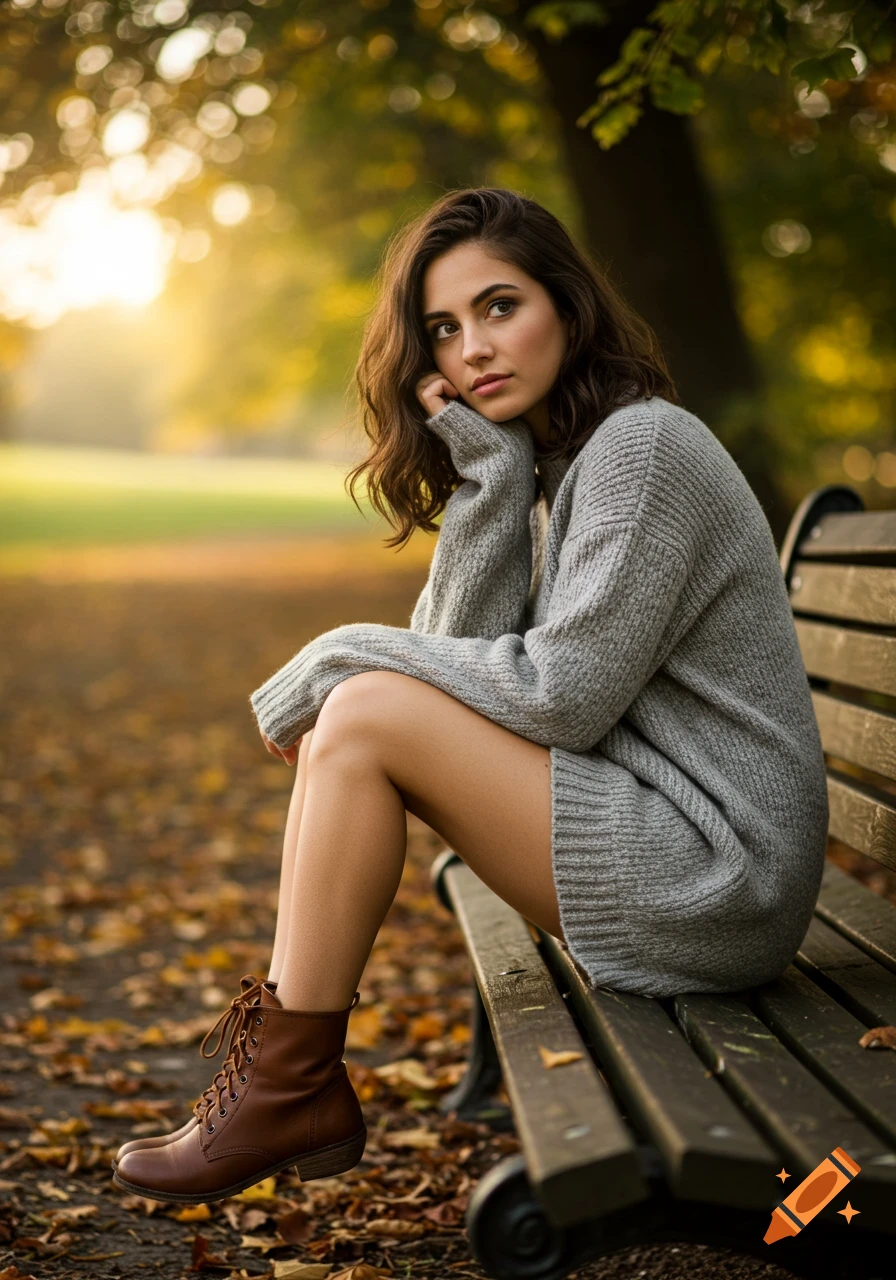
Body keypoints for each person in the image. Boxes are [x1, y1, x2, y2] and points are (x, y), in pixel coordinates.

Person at [112, 187, 829, 1205]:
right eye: (444, 329)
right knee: (357, 716)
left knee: (356, 708)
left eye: (499, 307)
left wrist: (336, 654)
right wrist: (488, 487)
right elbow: (455, 666)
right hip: (666, 841)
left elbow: (555, 697)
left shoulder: (641, 449)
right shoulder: (549, 466)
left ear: (568, 308)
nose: (471, 349)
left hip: (718, 877)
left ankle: (287, 1084)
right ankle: (287, 1077)